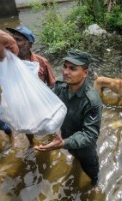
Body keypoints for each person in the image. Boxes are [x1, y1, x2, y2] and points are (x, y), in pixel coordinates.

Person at [35, 50, 103, 187]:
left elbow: (90, 134)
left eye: (72, 68)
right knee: (74, 156)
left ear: (85, 73)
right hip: (66, 137)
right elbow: (50, 102)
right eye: (65, 66)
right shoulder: (61, 86)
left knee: (91, 169)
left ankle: (95, 184)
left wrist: (63, 143)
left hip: (84, 148)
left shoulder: (92, 101)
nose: (66, 72)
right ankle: (75, 161)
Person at [6, 25, 56, 147]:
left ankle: (52, 139)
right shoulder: (8, 61)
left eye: (18, 40)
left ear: (29, 44)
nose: (14, 43)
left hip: (40, 101)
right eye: (13, 39)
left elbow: (51, 84)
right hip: (22, 102)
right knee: (26, 125)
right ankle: (32, 143)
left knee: (48, 123)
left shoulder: (41, 62)